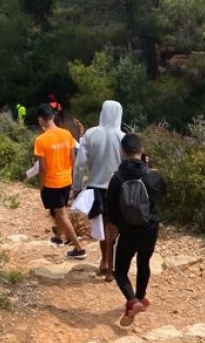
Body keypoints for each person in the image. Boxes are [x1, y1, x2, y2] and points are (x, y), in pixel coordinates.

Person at [104, 134, 166, 326]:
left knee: (120, 270)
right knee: (144, 263)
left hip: (128, 231)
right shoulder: (152, 175)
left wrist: (119, 225)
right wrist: (149, 167)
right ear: (142, 150)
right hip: (149, 229)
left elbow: (110, 209)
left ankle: (132, 300)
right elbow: (162, 194)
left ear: (122, 152)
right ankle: (140, 297)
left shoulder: (116, 178)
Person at [73, 100, 124, 278]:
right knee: (114, 228)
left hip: (96, 187)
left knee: (101, 226)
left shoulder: (90, 134)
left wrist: (77, 187)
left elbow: (80, 164)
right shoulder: (123, 137)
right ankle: (112, 267)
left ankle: (103, 260)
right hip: (117, 189)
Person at [33, 103, 86, 259]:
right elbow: (72, 159)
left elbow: (42, 168)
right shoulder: (66, 134)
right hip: (66, 179)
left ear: (41, 120)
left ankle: (79, 247)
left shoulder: (41, 140)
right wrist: (70, 175)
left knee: (61, 214)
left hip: (52, 182)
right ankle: (59, 237)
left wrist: (41, 186)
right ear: (53, 116)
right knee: (59, 210)